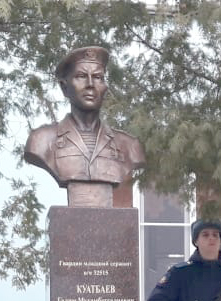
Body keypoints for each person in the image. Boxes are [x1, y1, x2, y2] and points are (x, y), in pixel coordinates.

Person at [23, 46, 145, 206]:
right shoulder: (41, 141)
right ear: (64, 87)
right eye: (81, 76)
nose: (90, 84)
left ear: (105, 87)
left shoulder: (129, 146)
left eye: (97, 77)